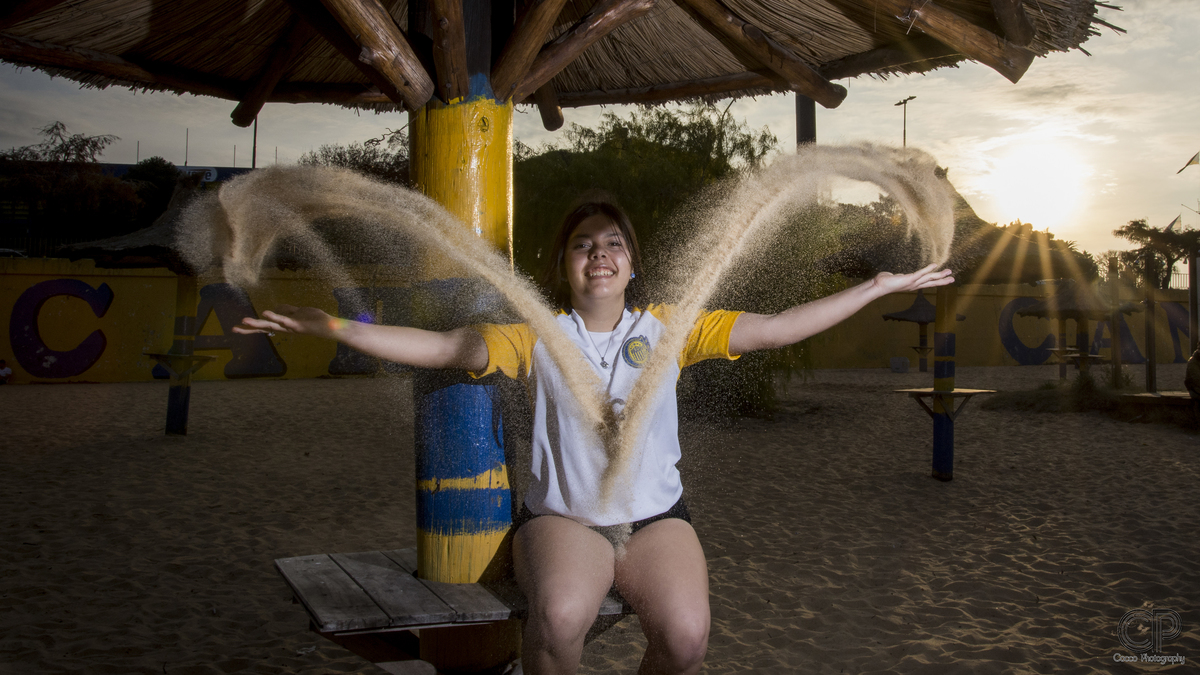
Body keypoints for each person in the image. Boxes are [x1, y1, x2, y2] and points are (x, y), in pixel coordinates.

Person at [236, 201, 954, 675]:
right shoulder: (534, 336)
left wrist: (875, 286)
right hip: (565, 521)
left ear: (632, 264)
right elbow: (441, 345)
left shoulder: (671, 328)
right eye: (584, 245)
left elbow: (776, 327)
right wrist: (332, 325)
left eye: (613, 244)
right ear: (567, 266)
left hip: (655, 521)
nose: (599, 254)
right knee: (558, 615)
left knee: (687, 636)